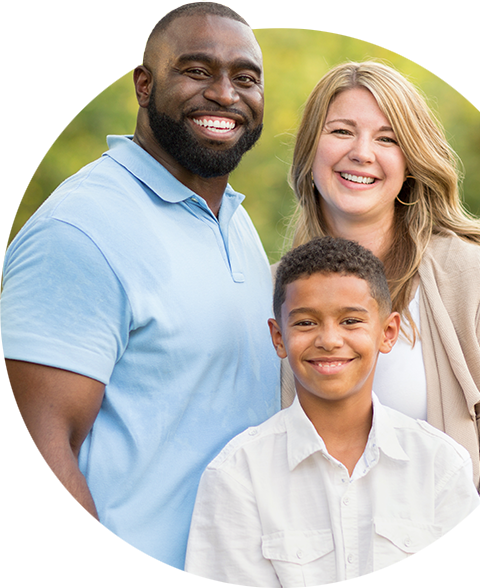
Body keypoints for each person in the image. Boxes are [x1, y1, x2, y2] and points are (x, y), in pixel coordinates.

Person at [0, 3, 279, 588]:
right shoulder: (80, 228)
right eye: (197, 71)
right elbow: (36, 451)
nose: (226, 94)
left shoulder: (233, 220)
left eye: (245, 77)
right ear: (144, 84)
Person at [281, 60, 480, 587]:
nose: (362, 152)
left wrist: (461, 576)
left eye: (387, 138)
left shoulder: (472, 276)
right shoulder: (272, 292)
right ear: (311, 149)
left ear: (410, 160)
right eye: (341, 131)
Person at [183, 236, 480, 588]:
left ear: (387, 333)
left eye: (351, 321)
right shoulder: (238, 475)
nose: (328, 339)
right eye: (306, 323)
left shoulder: (440, 465)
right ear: (278, 338)